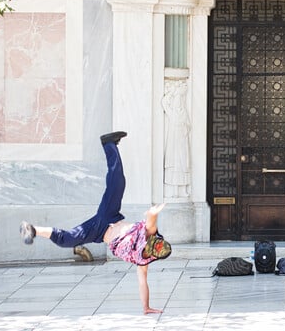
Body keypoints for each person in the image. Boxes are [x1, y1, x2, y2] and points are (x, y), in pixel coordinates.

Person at [19, 131, 172, 314]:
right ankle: (109, 144)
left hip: (99, 233)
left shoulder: (142, 260)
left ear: (153, 253)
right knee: (118, 183)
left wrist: (146, 307)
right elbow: (151, 222)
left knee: (67, 239)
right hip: (110, 216)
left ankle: (32, 229)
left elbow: (142, 282)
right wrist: (153, 213)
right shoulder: (149, 236)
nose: (154, 241)